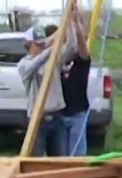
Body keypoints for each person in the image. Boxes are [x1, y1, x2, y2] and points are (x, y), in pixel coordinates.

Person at [17, 13, 82, 158]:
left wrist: (69, 24)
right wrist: (53, 47)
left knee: (59, 161)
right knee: (36, 163)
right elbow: (34, 64)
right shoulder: (24, 64)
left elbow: (71, 47)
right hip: (37, 120)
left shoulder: (52, 58)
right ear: (29, 44)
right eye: (37, 43)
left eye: (42, 42)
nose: (41, 45)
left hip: (57, 117)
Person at [45, 22, 91, 156]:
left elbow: (83, 48)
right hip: (59, 115)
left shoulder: (80, 59)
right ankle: (64, 177)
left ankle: (76, 176)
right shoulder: (53, 60)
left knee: (77, 155)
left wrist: (75, 23)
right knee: (61, 155)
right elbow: (43, 46)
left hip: (77, 113)